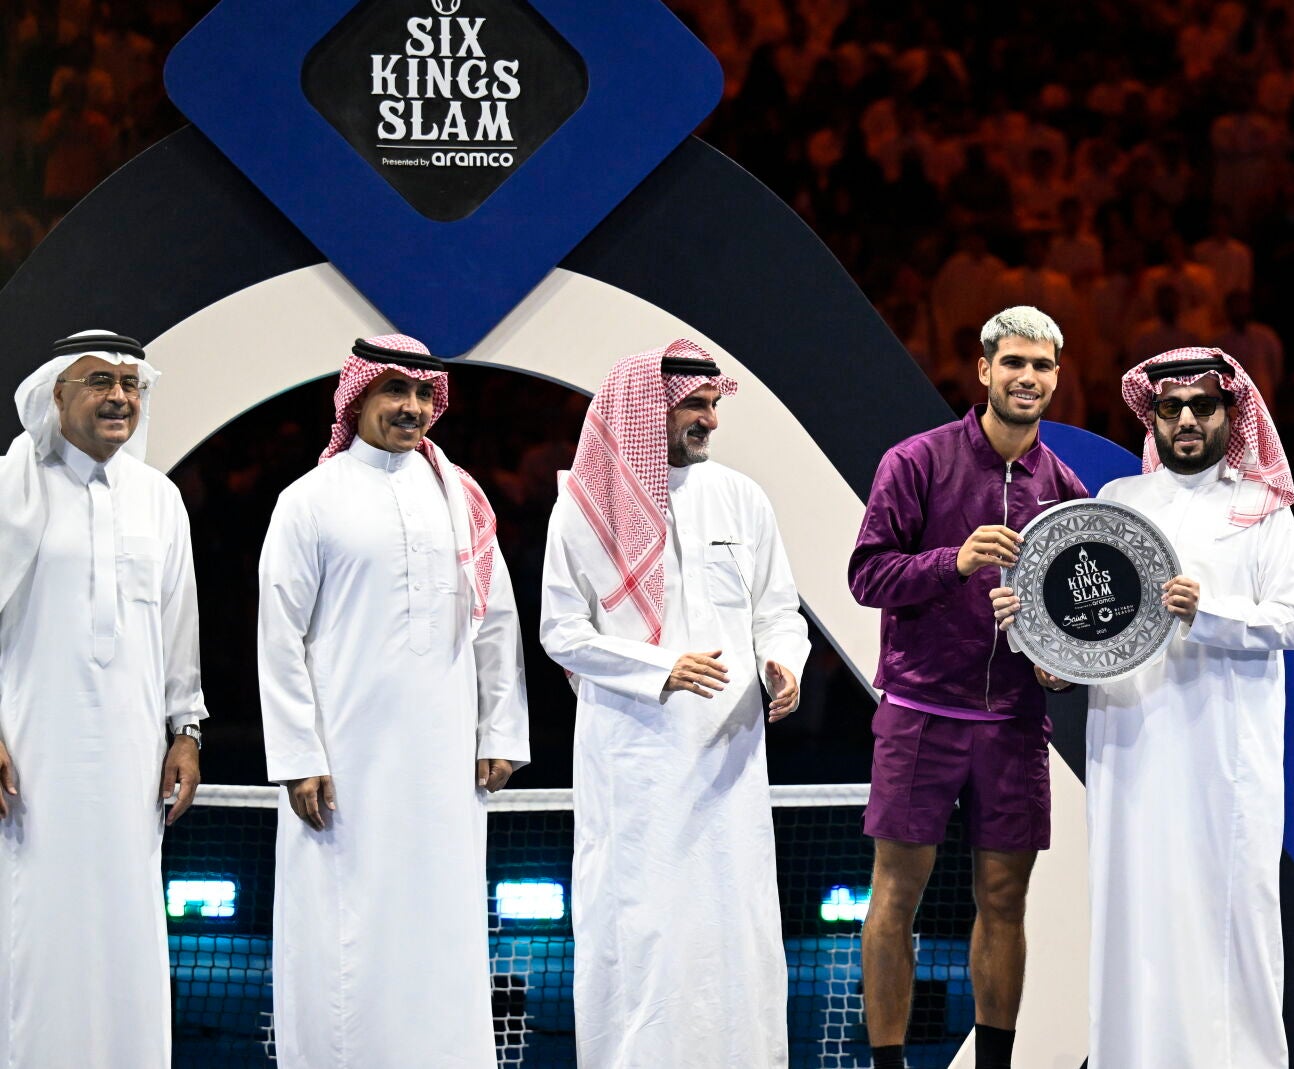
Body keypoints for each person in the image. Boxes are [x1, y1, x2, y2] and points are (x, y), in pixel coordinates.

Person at [991, 346, 1294, 1067]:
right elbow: (1092, 629)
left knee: (1233, 922)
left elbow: (1293, 621)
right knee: (1134, 921)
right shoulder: (1118, 503)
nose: (1187, 420)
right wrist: (1049, 656)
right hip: (1131, 752)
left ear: (1230, 413)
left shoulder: (1262, 509)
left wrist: (1208, 612)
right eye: (1172, 408)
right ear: (1153, 418)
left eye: (1203, 406)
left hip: (1226, 760)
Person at [258, 335, 531, 1068]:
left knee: (442, 918)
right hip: (343, 762)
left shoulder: (461, 497)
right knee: (345, 923)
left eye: (423, 394)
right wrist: (299, 754)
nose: (412, 407)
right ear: (356, 398)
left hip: (444, 760)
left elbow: (495, 619)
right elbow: (279, 636)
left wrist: (500, 731)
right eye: (395, 392)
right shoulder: (309, 500)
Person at [540, 340, 810, 1068]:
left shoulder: (743, 498)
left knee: (733, 926)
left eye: (713, 404)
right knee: (644, 929)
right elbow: (561, 632)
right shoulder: (585, 509)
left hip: (728, 760)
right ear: (645, 408)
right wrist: (661, 666)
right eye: (694, 404)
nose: (709, 420)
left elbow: (778, 611)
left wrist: (783, 664)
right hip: (635, 762)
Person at [849, 306, 1088, 1069]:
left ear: (1056, 377)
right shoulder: (916, 462)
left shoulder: (1066, 489)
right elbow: (866, 575)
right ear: (984, 370)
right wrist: (951, 560)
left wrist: (1060, 666)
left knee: (1006, 900)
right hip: (921, 713)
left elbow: (1077, 622)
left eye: (1041, 365)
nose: (1027, 377)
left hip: (1015, 721)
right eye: (1013, 362)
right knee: (895, 897)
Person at [0, 330, 206, 1068]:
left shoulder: (159, 499)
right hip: (32, 756)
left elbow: (179, 627)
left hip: (131, 756)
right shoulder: (11, 489)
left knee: (127, 914)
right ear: (57, 394)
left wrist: (186, 731)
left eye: (130, 384)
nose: (119, 397)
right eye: (99, 382)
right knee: (34, 919)